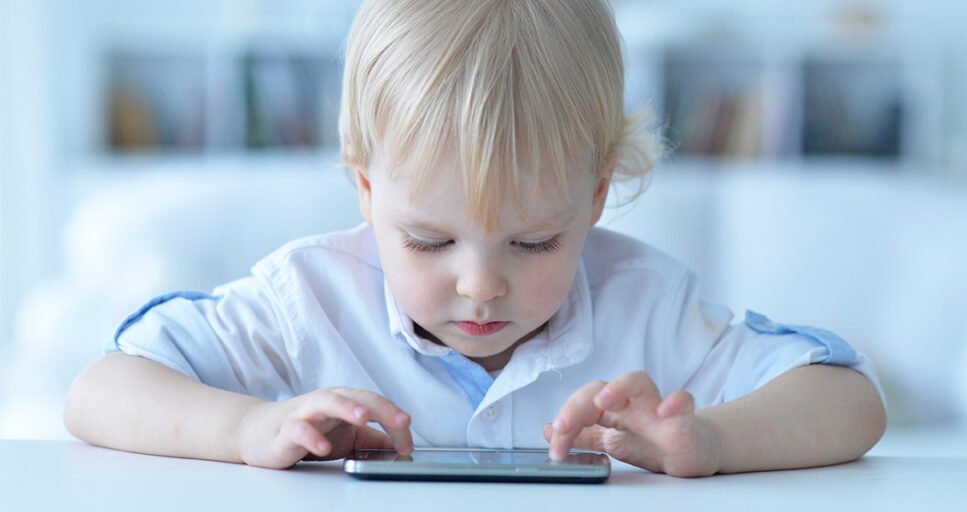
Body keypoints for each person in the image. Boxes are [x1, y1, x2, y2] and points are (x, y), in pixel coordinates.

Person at [64, 0, 886, 477]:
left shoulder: (647, 306)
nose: (481, 285)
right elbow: (99, 391)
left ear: (596, 197)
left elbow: (852, 401)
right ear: (365, 187)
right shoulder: (303, 302)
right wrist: (247, 427)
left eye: (533, 244)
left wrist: (710, 440)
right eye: (428, 241)